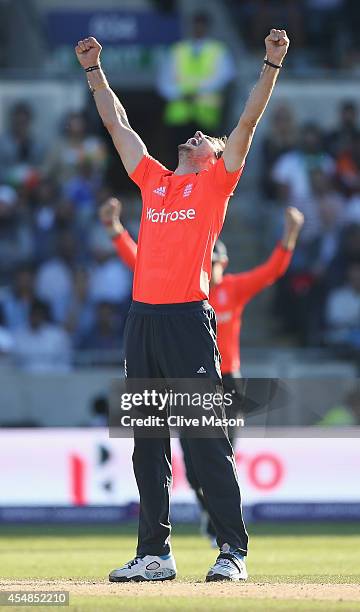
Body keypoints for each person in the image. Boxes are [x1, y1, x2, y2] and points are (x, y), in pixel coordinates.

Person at [75, 28, 290, 583]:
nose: (196, 135)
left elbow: (245, 125)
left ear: (216, 160)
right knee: (147, 445)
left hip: (186, 323)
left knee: (205, 439)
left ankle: (232, 552)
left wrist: (270, 65)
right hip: (141, 320)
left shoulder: (216, 184)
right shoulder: (156, 182)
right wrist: (95, 72)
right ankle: (155, 554)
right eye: (195, 135)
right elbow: (118, 126)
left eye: (205, 138)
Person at [99, 197, 304, 542]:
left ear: (223, 263)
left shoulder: (233, 290)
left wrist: (289, 235)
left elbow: (272, 272)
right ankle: (209, 513)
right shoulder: (185, 290)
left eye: (214, 261)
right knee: (193, 466)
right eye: (206, 259)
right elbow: (138, 261)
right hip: (190, 377)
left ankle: (224, 527)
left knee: (218, 453)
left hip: (227, 381)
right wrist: (115, 230)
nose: (210, 265)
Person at [157, 11, 236, 167]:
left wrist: (195, 92)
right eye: (196, 25)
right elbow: (163, 81)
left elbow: (224, 77)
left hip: (206, 116)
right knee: (178, 158)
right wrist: (181, 94)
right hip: (179, 115)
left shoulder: (218, 50)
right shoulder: (178, 50)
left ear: (207, 27)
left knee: (205, 161)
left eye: (201, 25)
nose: (198, 28)